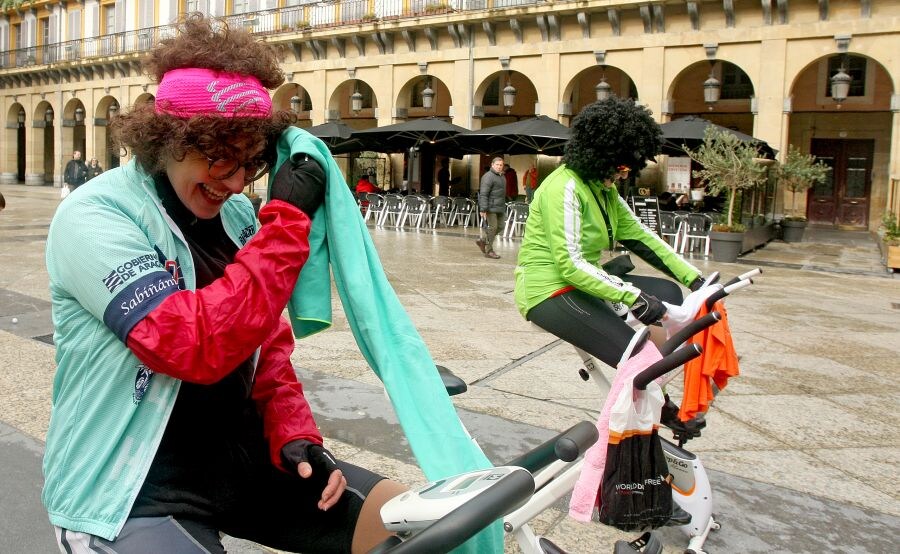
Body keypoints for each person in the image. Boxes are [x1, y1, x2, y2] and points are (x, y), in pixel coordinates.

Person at [42, 15, 404, 554]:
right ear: (167, 138)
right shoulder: (96, 217)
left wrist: (294, 431)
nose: (235, 183)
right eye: (219, 158)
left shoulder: (236, 216)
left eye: (249, 164)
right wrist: (285, 226)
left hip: (237, 462)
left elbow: (266, 342)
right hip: (132, 487)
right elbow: (190, 343)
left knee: (407, 522)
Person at [513, 97, 705, 369]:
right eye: (622, 168)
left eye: (628, 168)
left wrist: (695, 278)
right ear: (600, 156)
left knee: (668, 292)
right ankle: (653, 395)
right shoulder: (564, 187)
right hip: (548, 290)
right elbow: (571, 264)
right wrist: (632, 296)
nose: (624, 175)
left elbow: (639, 235)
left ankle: (653, 388)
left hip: (584, 281)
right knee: (634, 354)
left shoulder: (605, 189)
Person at [476, 157, 506, 259]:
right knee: (493, 227)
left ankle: (483, 240)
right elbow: (483, 194)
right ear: (492, 165)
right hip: (490, 207)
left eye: (501, 165)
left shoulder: (502, 176)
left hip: (500, 206)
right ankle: (489, 250)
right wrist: (483, 209)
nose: (499, 167)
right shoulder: (488, 177)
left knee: (501, 226)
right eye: (497, 165)